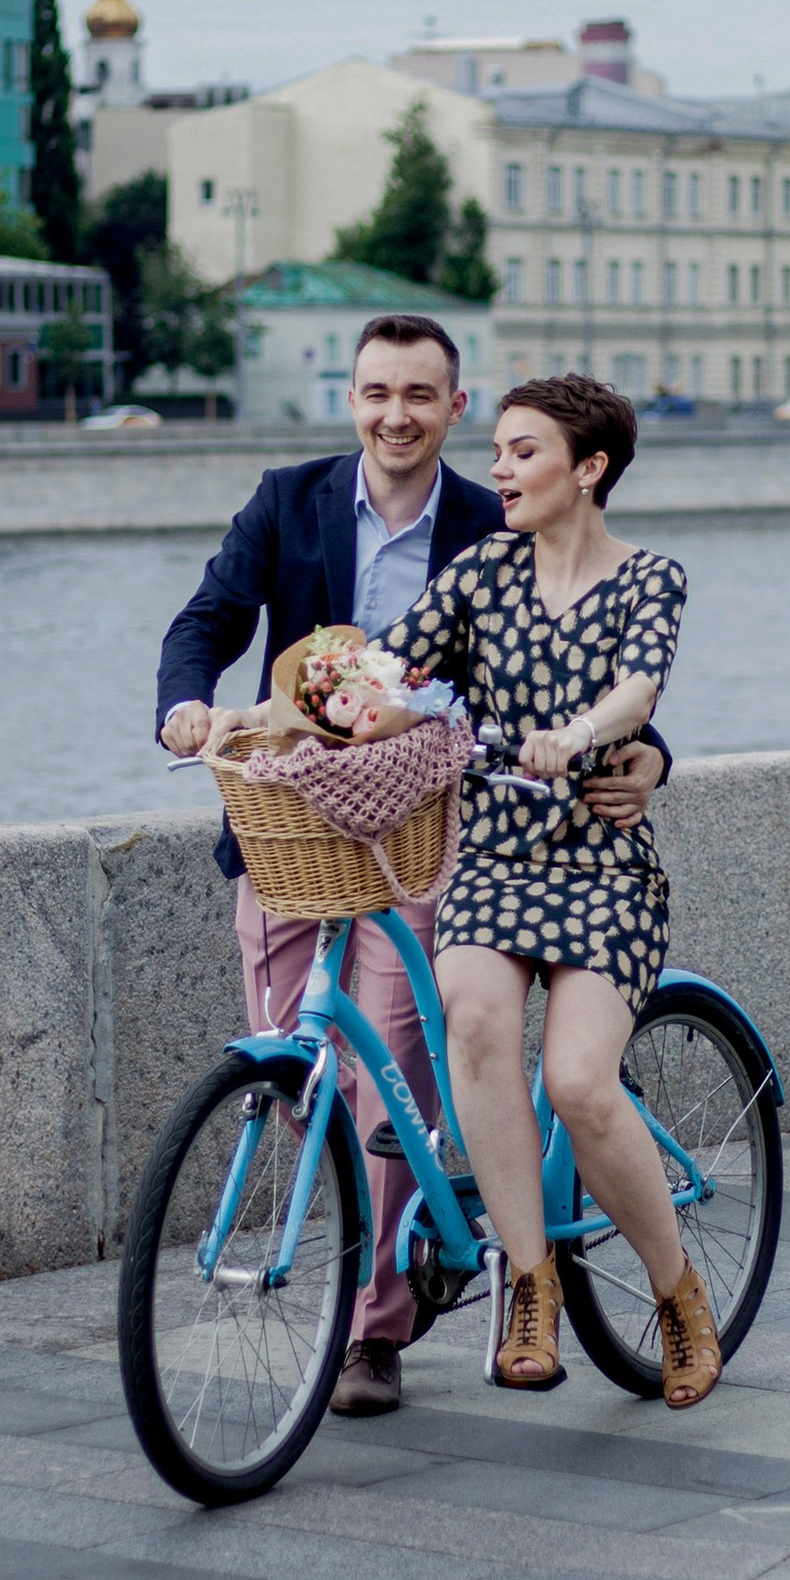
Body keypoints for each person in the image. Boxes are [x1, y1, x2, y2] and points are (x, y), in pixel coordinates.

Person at [158, 313, 666, 1416]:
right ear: (350, 399)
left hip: (434, 839)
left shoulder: (498, 522)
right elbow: (204, 620)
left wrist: (648, 752)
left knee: (390, 1068)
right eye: (375, 392)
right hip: (288, 832)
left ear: (454, 408)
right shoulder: (286, 502)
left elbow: (586, 664)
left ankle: (372, 1333)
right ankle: (388, 1245)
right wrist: (187, 708)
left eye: (420, 396)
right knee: (303, 1066)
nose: (396, 414)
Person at [379, 371, 719, 1409]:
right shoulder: (479, 572)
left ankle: (676, 1294)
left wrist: (579, 734)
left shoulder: (649, 577)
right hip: (492, 861)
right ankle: (528, 1285)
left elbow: (639, 685)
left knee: (577, 1081)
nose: (499, 469)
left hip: (600, 867)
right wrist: (289, 716)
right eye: (498, 451)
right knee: (475, 1023)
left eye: (523, 451)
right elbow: (389, 672)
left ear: (591, 469)